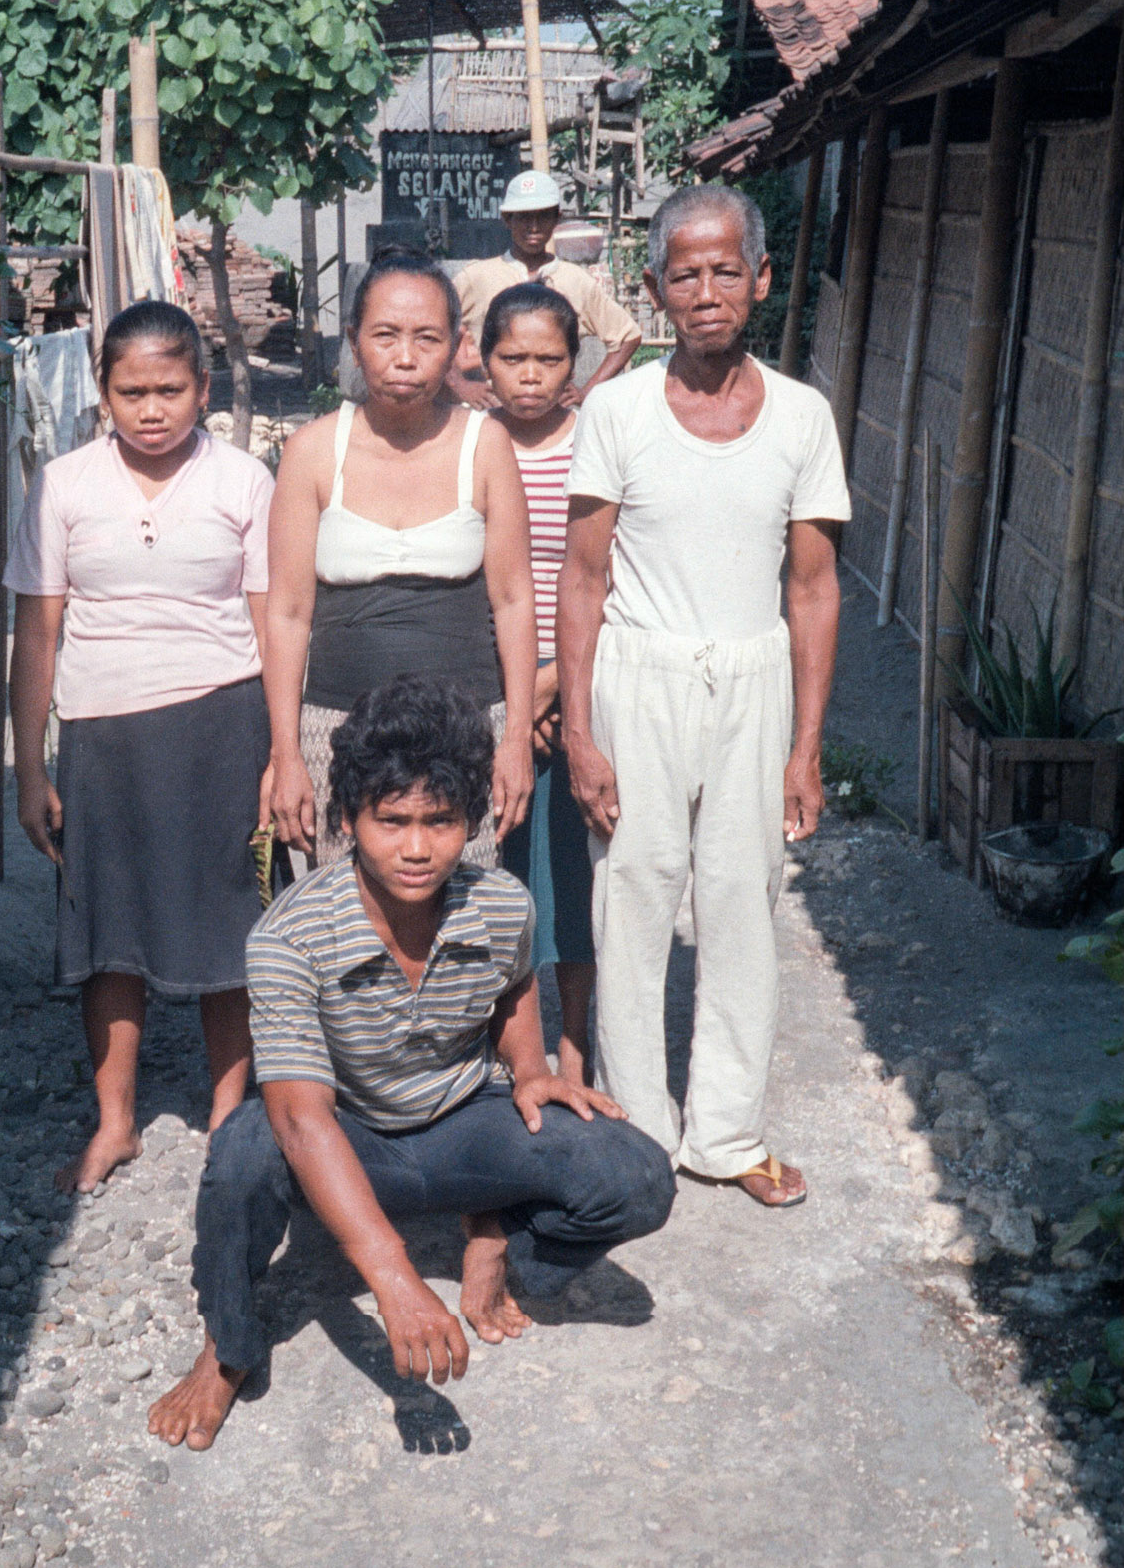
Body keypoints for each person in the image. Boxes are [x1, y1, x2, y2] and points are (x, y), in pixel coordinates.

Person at [146, 675, 675, 1450]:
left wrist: (531, 1070)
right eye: (392, 821)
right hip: (347, 1133)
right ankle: (227, 1347)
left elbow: (514, 985)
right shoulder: (289, 936)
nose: (418, 848)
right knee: (242, 1151)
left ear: (472, 820)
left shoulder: (501, 904)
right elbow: (301, 1119)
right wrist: (394, 1278)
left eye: (441, 821)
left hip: (464, 1121)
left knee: (638, 1176)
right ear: (349, 820)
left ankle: (500, 1236)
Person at [557, 185, 850, 1207]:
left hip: (753, 681)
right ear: (653, 288)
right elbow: (583, 577)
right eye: (684, 273)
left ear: (761, 280)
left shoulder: (801, 417)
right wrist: (581, 732)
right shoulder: (617, 410)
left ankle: (726, 1133)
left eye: (727, 269)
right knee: (631, 898)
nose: (707, 291)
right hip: (640, 675)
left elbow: (812, 589)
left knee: (741, 902)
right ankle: (640, 1131)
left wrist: (805, 745)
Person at [6, 300, 274, 1195]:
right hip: (103, 733)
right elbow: (37, 635)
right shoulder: (65, 485)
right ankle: (115, 1122)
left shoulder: (243, 480)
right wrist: (30, 768)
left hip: (223, 723)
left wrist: (282, 754)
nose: (152, 410)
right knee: (106, 930)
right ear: (103, 395)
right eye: (132, 393)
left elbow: (274, 620)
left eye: (170, 390)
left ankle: (230, 1116)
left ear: (203, 388)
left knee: (228, 921)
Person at [265, 244, 536, 868]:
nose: (406, 357)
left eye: (427, 338)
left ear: (458, 345)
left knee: (461, 907)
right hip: (335, 732)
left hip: (467, 735)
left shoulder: (485, 445)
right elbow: (287, 614)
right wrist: (286, 753)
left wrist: (515, 737)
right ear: (354, 341)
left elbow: (514, 600)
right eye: (385, 335)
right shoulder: (312, 452)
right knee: (349, 910)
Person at [482, 282, 596, 1087]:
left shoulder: (595, 446)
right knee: (496, 873)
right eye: (512, 357)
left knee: (573, 876)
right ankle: (499, 1039)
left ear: (574, 364)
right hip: (489, 693)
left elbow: (611, 572)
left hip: (577, 686)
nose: (529, 375)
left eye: (548, 359)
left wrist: (552, 690)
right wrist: (513, 706)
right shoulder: (466, 443)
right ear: (482, 360)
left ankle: (576, 1040)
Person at [448, 170, 641, 407]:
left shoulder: (575, 280)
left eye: (543, 216)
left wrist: (587, 392)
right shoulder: (477, 277)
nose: (534, 226)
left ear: (556, 219)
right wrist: (460, 385)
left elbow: (627, 336)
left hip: (553, 410)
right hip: (493, 408)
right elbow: (433, 332)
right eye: (524, 217)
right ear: (507, 219)